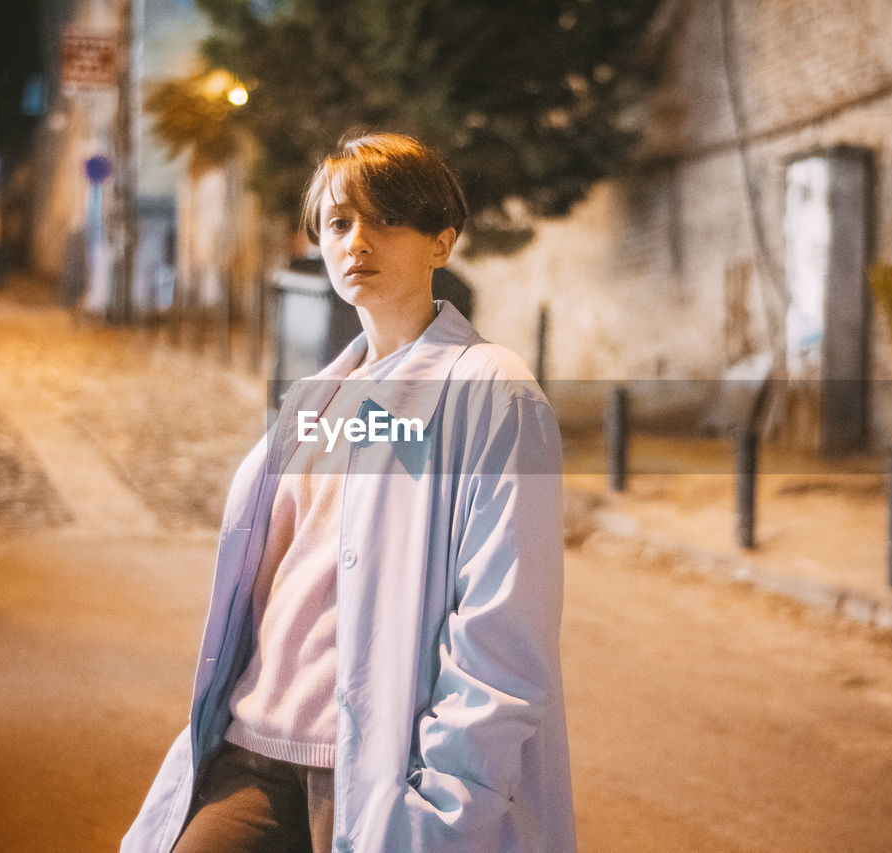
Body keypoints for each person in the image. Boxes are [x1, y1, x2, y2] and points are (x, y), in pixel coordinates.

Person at [122, 133, 574, 853]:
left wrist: (445, 802)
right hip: (254, 748)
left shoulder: (491, 390)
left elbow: (503, 627)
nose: (356, 240)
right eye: (338, 223)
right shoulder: (316, 399)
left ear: (441, 242)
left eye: (386, 220)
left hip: (382, 777)